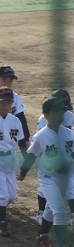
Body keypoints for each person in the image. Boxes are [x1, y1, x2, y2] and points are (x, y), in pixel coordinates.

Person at [18, 97, 74, 247]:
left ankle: (42, 234)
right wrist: (23, 172)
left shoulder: (68, 134)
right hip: (48, 178)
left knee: (51, 209)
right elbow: (31, 156)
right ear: (45, 115)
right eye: (56, 112)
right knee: (59, 210)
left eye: (62, 112)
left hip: (65, 177)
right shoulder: (41, 136)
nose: (60, 115)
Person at [35, 89, 74, 231]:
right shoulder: (43, 121)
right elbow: (41, 142)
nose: (62, 114)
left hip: (65, 160)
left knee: (70, 188)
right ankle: (41, 214)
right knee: (47, 194)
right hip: (49, 161)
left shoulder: (69, 116)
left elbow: (69, 138)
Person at [0, 86, 25, 237]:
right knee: (3, 195)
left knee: (12, 195)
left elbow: (21, 142)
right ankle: (2, 223)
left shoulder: (15, 121)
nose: (5, 106)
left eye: (8, 103)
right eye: (2, 102)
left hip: (11, 159)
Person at [0, 66, 30, 158]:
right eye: (4, 80)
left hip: (9, 133)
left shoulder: (14, 97)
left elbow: (21, 118)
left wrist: (26, 139)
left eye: (10, 81)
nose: (7, 84)